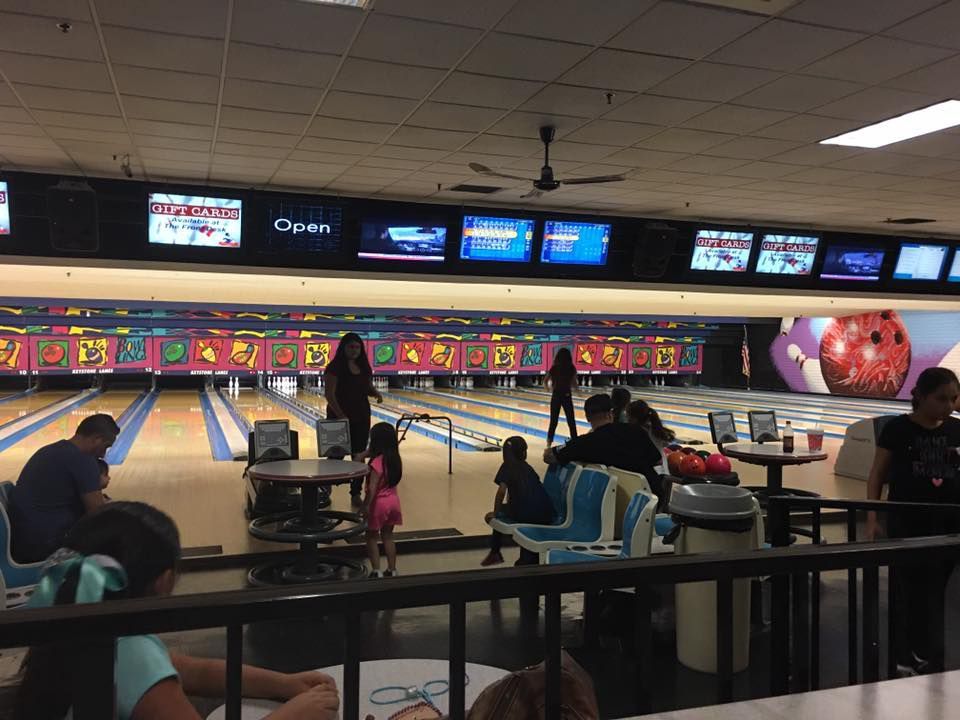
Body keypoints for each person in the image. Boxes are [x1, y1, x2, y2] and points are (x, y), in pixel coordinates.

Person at [15, 502, 340, 720]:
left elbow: (194, 672)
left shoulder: (78, 625)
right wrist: (293, 715)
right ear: (164, 581)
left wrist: (283, 684)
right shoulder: (131, 654)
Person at [865, 366, 960, 675]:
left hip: (949, 524)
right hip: (907, 522)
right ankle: (904, 655)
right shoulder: (897, 429)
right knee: (908, 591)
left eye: (954, 399)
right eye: (941, 398)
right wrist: (872, 517)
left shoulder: (956, 429)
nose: (949, 406)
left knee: (934, 591)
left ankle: (924, 652)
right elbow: (877, 475)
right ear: (920, 396)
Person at [10, 413, 119, 563]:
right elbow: (97, 514)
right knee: (119, 536)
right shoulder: (83, 460)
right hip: (46, 547)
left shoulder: (49, 450)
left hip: (22, 541)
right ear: (96, 439)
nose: (103, 455)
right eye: (105, 446)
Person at [543, 394, 663, 499]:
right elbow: (658, 461)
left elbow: (549, 456)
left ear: (587, 417)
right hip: (649, 499)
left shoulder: (582, 443)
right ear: (610, 414)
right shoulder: (636, 431)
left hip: (611, 503)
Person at [324, 332, 383, 501]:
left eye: (357, 347)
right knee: (336, 455)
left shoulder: (364, 367)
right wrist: (341, 416)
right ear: (343, 347)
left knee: (359, 455)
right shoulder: (334, 368)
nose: (354, 350)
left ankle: (355, 493)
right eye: (351, 347)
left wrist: (376, 393)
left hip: (361, 416)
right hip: (339, 419)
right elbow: (329, 394)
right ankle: (325, 487)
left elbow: (367, 387)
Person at [481, 436, 555, 567]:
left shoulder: (507, 466)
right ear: (524, 453)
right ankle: (525, 559)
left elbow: (501, 492)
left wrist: (496, 513)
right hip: (546, 513)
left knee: (494, 515)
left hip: (526, 514)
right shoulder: (529, 468)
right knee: (520, 511)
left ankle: (495, 552)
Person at [363, 422, 403, 578]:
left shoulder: (376, 462)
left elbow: (372, 488)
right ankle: (392, 570)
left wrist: (365, 505)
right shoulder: (394, 459)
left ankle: (376, 571)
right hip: (394, 502)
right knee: (388, 536)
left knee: (371, 536)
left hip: (379, 504)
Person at [627, 399, 677, 470]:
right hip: (661, 469)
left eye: (628, 416)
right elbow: (665, 444)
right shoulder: (656, 429)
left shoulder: (637, 433)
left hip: (652, 470)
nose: (627, 418)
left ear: (634, 418)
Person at [545, 348, 578, 447]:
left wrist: (548, 389)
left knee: (553, 421)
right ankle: (576, 442)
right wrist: (578, 391)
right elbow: (574, 382)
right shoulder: (571, 368)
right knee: (571, 421)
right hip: (567, 395)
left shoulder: (554, 368)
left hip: (556, 395)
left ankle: (548, 443)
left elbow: (545, 380)